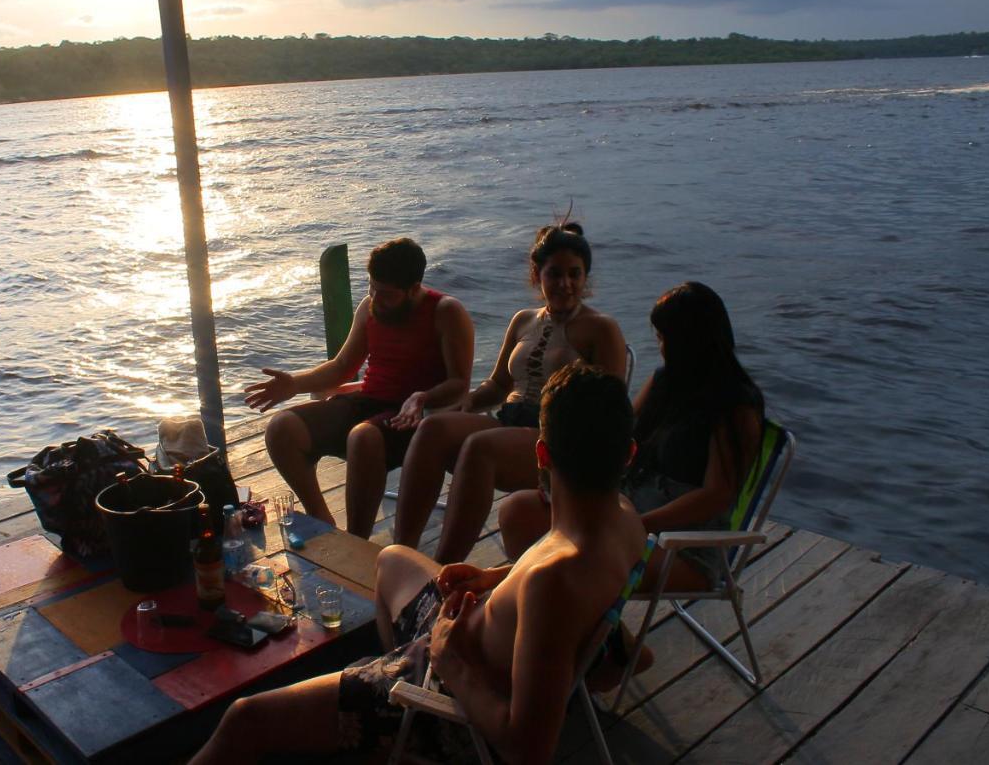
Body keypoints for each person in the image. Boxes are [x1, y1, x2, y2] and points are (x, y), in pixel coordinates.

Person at [193, 363, 648, 765]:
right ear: (628, 454)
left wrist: (450, 662)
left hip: (451, 698)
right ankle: (380, 688)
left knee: (244, 719)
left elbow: (527, 749)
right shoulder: (624, 519)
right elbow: (563, 582)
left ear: (542, 454)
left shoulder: (554, 583)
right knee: (392, 559)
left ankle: (391, 719)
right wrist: (495, 576)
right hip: (470, 636)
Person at [500, 281, 764, 593]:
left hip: (680, 548)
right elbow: (619, 437)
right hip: (623, 515)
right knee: (518, 511)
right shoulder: (666, 382)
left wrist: (636, 526)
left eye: (666, 338)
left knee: (573, 561)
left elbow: (715, 496)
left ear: (691, 341)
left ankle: (576, 627)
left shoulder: (735, 406)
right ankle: (562, 619)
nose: (661, 346)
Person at [392, 221, 627, 563]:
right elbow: (499, 385)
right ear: (538, 275)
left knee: (479, 447)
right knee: (433, 429)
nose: (565, 284)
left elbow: (611, 408)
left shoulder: (601, 328)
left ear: (585, 277)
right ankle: (404, 552)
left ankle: (442, 572)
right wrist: (464, 404)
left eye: (575, 274)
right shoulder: (523, 320)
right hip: (510, 419)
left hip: (557, 440)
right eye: (555, 274)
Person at [245, 238, 474, 537]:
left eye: (386, 294)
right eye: (371, 287)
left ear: (414, 288)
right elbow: (342, 367)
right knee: (281, 428)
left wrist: (422, 397)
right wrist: (294, 384)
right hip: (369, 401)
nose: (375, 299)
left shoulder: (446, 312)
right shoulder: (370, 307)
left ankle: (357, 539)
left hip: (418, 415)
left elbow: (460, 383)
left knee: (363, 437)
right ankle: (321, 520)